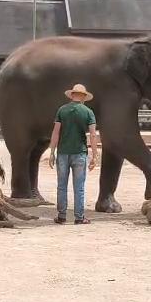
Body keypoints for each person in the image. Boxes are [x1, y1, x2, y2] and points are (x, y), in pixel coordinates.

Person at [49, 82, 98, 224]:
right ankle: (79, 217)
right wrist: (95, 155)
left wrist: (52, 151)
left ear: (72, 95)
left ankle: (62, 216)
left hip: (63, 152)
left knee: (61, 186)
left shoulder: (62, 110)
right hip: (80, 152)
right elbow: (93, 135)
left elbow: (56, 132)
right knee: (79, 187)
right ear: (83, 97)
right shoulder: (88, 112)